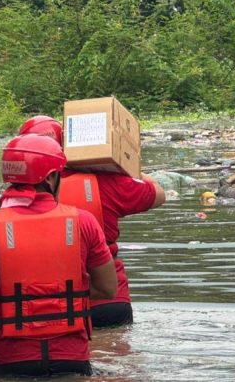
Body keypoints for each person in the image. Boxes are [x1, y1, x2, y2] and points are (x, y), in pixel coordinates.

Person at [0, 134, 117, 377]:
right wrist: (60, 298)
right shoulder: (84, 222)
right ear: (51, 178)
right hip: (71, 359)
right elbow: (107, 289)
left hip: (11, 362)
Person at [18, 115, 166, 328]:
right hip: (109, 302)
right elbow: (159, 194)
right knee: (112, 357)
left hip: (47, 307)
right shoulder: (106, 182)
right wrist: (126, 166)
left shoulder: (14, 200)